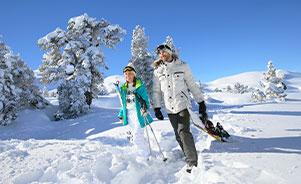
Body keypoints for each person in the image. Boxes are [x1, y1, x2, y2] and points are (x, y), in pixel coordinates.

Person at [152, 44, 207, 173]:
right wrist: (157, 108)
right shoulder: (157, 71)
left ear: (170, 52)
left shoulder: (183, 66)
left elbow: (192, 85)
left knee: (183, 132)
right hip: (169, 108)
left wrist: (201, 102)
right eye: (160, 53)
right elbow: (156, 91)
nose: (162, 55)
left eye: (164, 52)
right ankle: (188, 154)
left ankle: (192, 162)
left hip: (182, 104)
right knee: (178, 135)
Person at [118, 63, 153, 160]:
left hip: (139, 114)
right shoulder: (123, 88)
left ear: (134, 74)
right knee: (136, 136)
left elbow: (145, 100)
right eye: (125, 74)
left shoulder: (139, 86)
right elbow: (123, 104)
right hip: (129, 115)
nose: (127, 76)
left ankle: (145, 157)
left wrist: (145, 109)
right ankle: (147, 152)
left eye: (130, 73)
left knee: (137, 137)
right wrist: (121, 115)